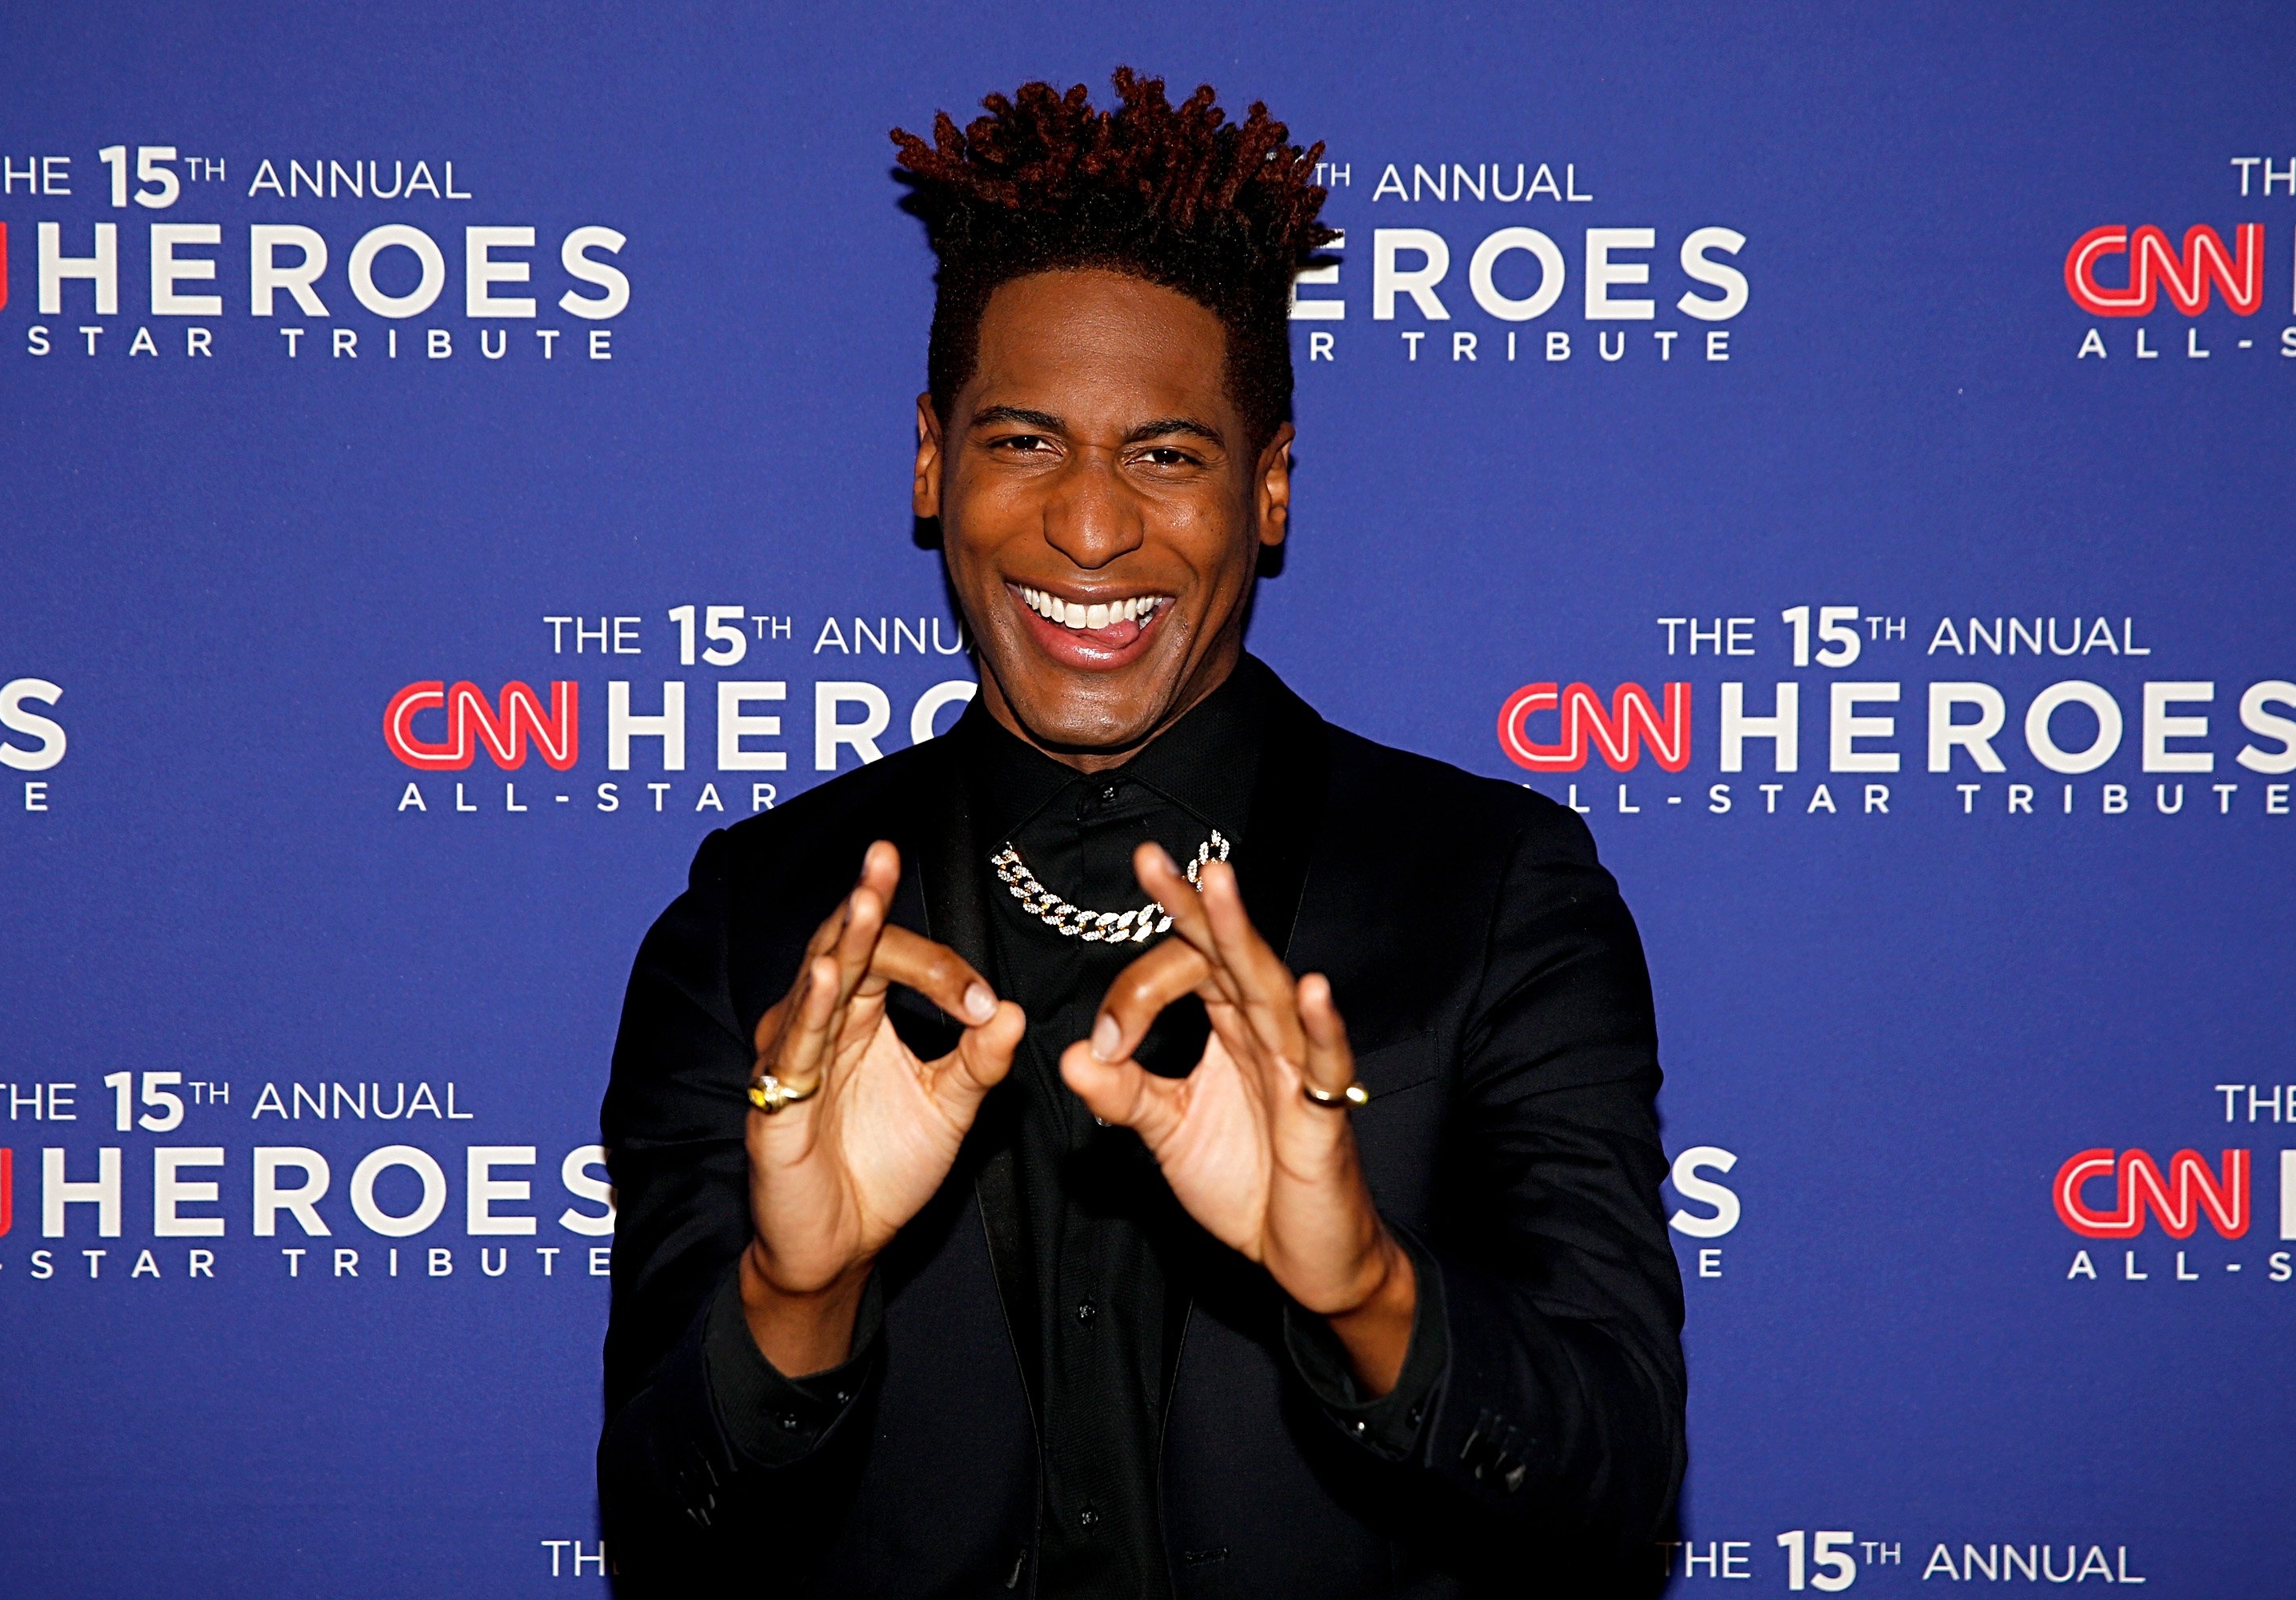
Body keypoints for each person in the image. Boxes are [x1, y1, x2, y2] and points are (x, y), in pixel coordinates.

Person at [598, 69, 1685, 1598]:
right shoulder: (760, 922)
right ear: (931, 461)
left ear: (1272, 490)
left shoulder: (1496, 891)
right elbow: (658, 1523)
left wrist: (1364, 1286)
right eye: (1024, 442)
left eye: (1166, 453)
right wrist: (800, 1290)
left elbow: (1614, 1478)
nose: (1091, 528)